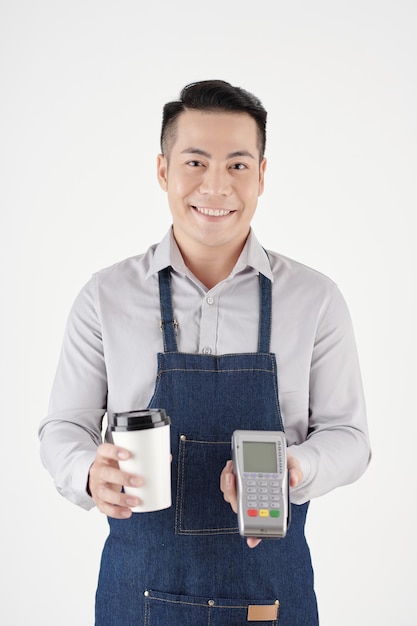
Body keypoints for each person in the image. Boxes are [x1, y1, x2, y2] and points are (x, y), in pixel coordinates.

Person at [39, 79, 371, 625]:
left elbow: (350, 438)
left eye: (238, 165)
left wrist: (292, 468)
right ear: (163, 170)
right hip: (137, 598)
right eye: (195, 162)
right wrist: (85, 472)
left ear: (262, 175)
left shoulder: (315, 299)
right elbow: (63, 427)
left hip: (269, 598)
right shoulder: (105, 296)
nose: (215, 186)